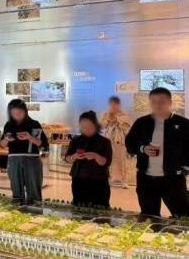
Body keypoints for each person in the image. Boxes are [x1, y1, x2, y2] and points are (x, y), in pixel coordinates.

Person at [126, 87, 189, 218]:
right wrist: (143, 149)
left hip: (173, 179)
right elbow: (130, 144)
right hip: (146, 180)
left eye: (162, 101)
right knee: (149, 217)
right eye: (153, 101)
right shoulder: (141, 123)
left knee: (182, 216)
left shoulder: (183, 124)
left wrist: (185, 169)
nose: (157, 105)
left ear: (170, 102)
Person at [0, 99, 48, 205]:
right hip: (14, 159)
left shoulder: (34, 124)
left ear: (25, 111)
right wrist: (7, 139)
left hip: (32, 159)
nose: (17, 116)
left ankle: (35, 212)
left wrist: (30, 137)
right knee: (16, 191)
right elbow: (2, 144)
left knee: (34, 192)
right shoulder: (9, 125)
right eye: (14, 114)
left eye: (19, 113)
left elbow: (43, 144)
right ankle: (18, 212)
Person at [65, 111, 112, 209]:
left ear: (95, 125)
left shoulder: (105, 142)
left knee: (100, 209)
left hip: (99, 182)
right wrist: (74, 156)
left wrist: (95, 156)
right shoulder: (76, 140)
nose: (86, 129)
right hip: (79, 181)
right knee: (79, 208)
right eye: (83, 126)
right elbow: (67, 158)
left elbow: (107, 162)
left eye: (89, 126)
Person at [100, 96, 132, 189]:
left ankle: (124, 180)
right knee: (108, 159)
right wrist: (108, 119)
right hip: (108, 139)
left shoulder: (124, 114)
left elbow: (128, 125)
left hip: (119, 140)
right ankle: (109, 178)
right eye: (111, 104)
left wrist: (116, 119)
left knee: (121, 160)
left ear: (118, 105)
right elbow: (101, 125)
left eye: (115, 104)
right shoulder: (105, 114)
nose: (113, 106)